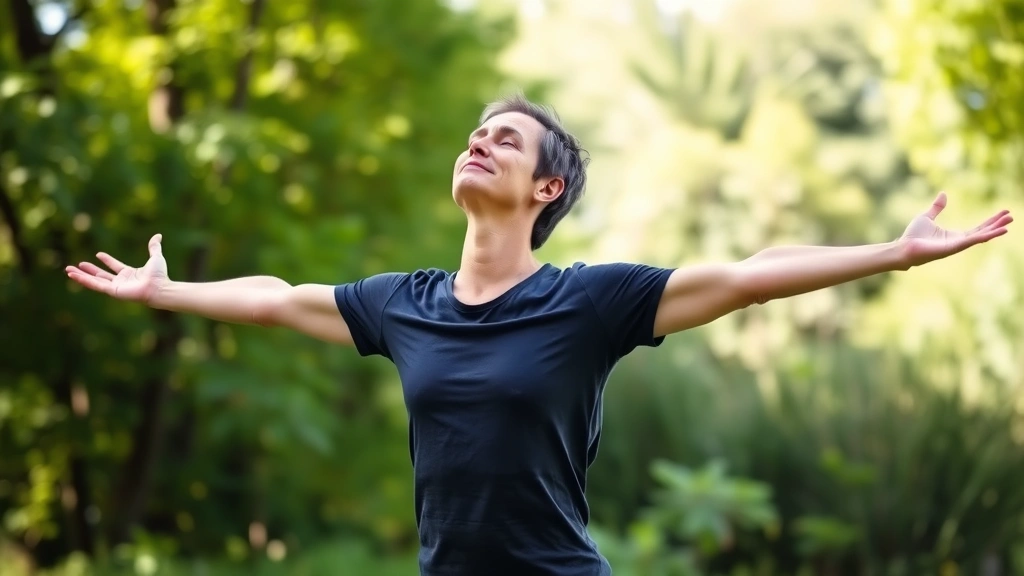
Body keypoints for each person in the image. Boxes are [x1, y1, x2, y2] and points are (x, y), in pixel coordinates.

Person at [65, 93, 1012, 576]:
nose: (479, 142)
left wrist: (888, 255)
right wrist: (170, 291)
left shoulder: (588, 303)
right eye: (475, 133)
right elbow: (278, 297)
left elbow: (745, 276)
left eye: (505, 140)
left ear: (546, 188)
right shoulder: (406, 305)